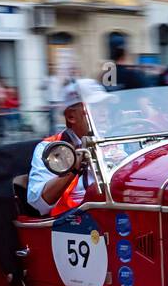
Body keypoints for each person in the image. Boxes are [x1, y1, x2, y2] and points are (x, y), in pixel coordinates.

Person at [26, 79, 108, 216]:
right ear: (71, 116)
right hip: (70, 222)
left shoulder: (111, 140)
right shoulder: (48, 148)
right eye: (94, 108)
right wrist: (73, 169)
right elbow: (38, 203)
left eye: (105, 107)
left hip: (110, 212)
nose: (105, 113)